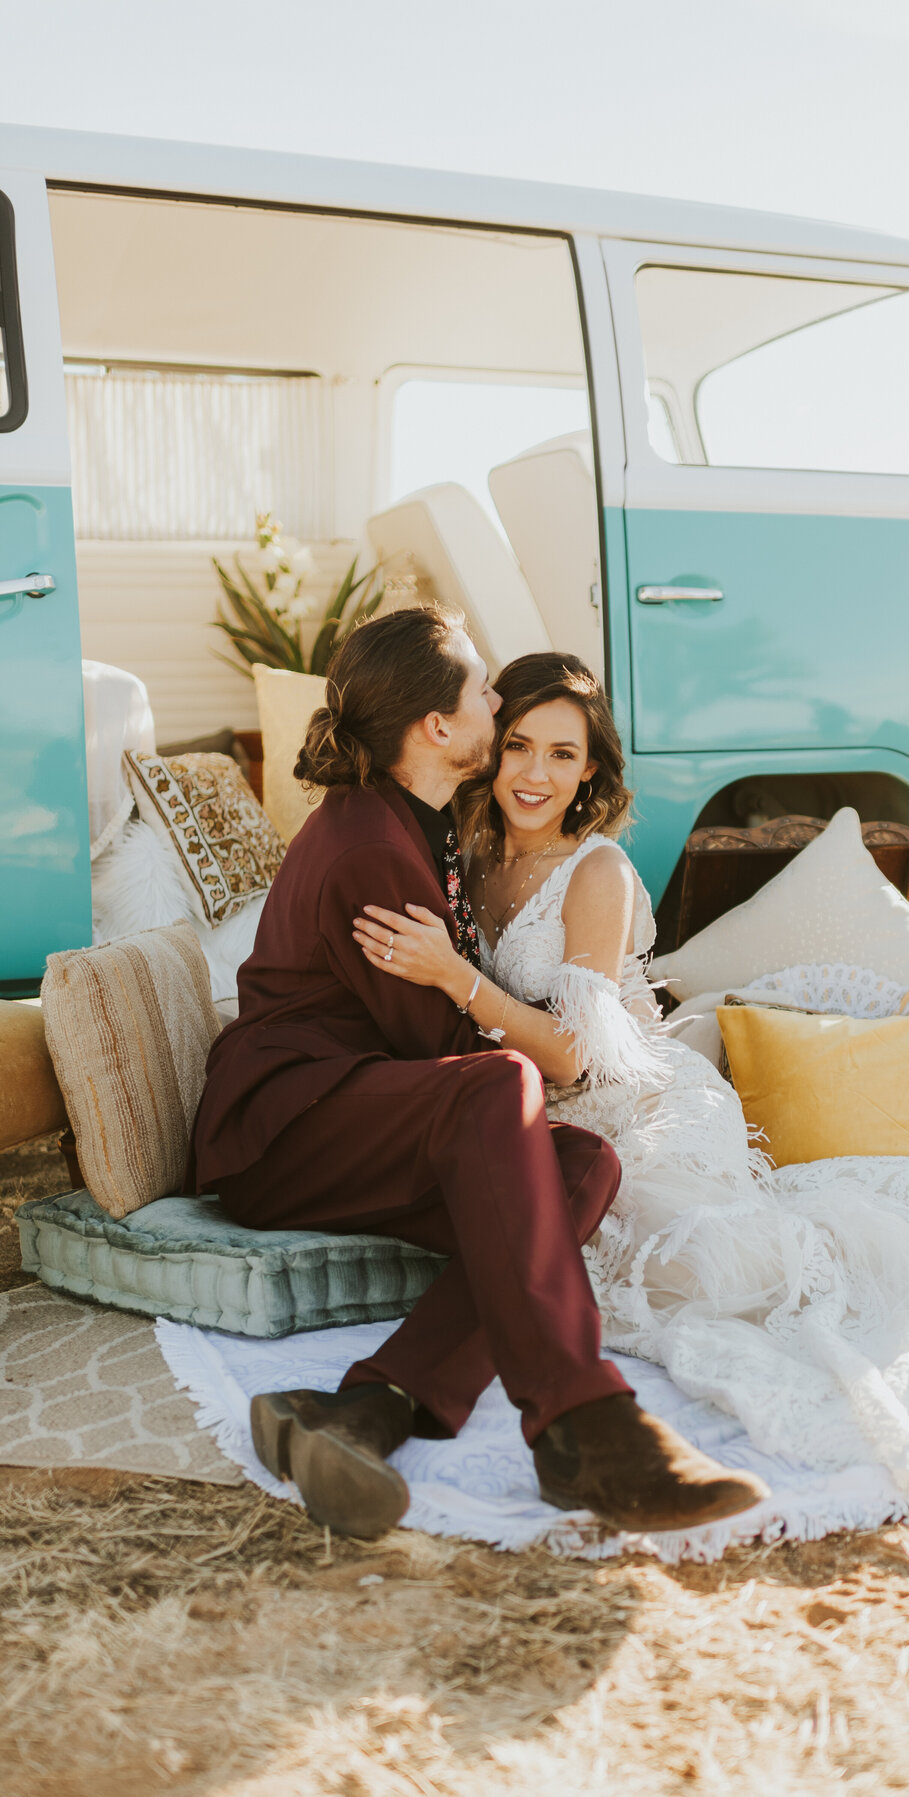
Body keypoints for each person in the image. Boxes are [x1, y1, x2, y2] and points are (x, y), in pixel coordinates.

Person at [355, 650, 909, 1529]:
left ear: (592, 769)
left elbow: (574, 1054)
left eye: (563, 755)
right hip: (527, 1105)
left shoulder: (594, 872)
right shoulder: (468, 853)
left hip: (631, 1104)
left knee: (702, 1275)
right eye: (520, 744)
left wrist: (458, 979)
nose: (534, 774)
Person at [188, 610, 767, 1540]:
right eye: (485, 693)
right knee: (501, 1088)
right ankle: (586, 1423)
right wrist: (479, 1008)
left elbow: (454, 1033)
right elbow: (443, 1057)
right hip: (284, 1127)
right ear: (438, 727)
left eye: (560, 751)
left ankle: (361, 1410)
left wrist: (469, 993)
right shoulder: (374, 845)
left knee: (583, 1165)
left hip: (358, 1113)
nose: (498, 707)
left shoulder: (421, 823)